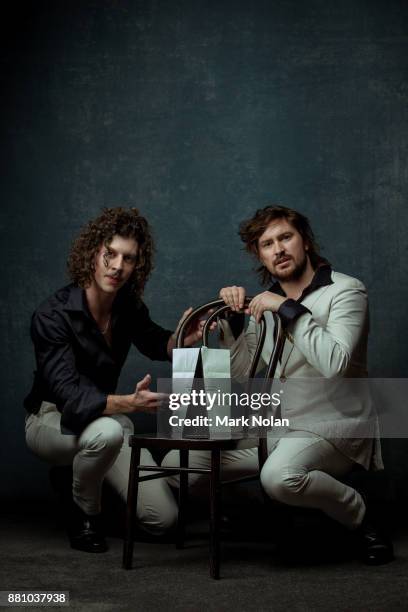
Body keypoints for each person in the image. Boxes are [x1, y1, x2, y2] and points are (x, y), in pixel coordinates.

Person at [163, 204, 393, 565]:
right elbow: (244, 376)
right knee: (182, 467)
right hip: (277, 426)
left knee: (281, 477)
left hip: (334, 425)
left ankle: (361, 516)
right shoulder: (263, 304)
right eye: (267, 244)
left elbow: (336, 363)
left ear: (305, 241)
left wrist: (287, 309)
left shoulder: (347, 291)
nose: (279, 249)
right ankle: (260, 517)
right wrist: (226, 330)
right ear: (260, 254)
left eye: (286, 237)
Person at [24, 207, 204, 553]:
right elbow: (71, 399)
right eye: (110, 254)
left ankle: (81, 480)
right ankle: (84, 512)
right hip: (51, 419)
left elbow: (155, 341)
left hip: (101, 420)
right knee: (110, 431)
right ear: (93, 252)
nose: (117, 266)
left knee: (163, 520)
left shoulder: (127, 306)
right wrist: (130, 404)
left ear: (138, 265)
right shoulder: (53, 315)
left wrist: (183, 337)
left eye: (129, 258)